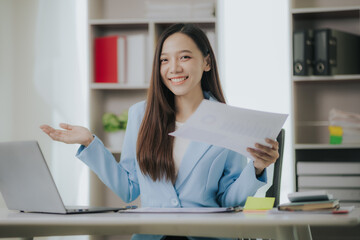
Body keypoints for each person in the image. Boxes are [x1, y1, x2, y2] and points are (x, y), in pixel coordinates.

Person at [40, 23, 279, 240]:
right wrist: (90, 142)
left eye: (184, 57)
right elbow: (128, 189)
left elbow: (229, 200)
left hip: (206, 236)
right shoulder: (140, 115)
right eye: (164, 60)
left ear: (206, 62)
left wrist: (256, 167)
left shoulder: (227, 121)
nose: (173, 68)